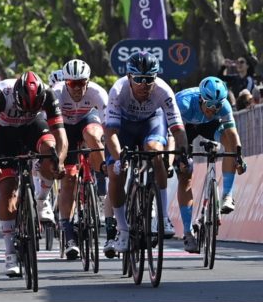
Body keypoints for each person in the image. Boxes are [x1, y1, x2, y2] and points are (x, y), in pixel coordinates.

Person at [0, 71, 68, 276]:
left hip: (32, 128)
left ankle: (41, 199)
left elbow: (61, 137)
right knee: (7, 189)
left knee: (50, 151)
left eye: (34, 107)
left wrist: (59, 162)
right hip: (3, 134)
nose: (27, 110)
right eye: (24, 107)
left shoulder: (48, 95)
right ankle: (10, 253)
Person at [103, 51, 188, 257]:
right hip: (124, 128)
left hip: (151, 123)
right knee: (116, 173)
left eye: (149, 79)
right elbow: (110, 133)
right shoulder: (118, 90)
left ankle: (162, 215)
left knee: (155, 152)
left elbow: (178, 130)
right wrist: (119, 158)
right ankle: (123, 229)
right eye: (139, 79)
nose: (144, 85)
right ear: (130, 77)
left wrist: (182, 155)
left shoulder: (163, 90)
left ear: (155, 78)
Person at [175, 77, 246, 253]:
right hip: (184, 128)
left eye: (217, 106)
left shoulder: (224, 106)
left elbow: (233, 133)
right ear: (201, 98)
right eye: (209, 104)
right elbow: (175, 135)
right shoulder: (183, 103)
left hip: (209, 126)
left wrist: (238, 157)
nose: (213, 109)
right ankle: (187, 232)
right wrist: (182, 158)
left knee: (230, 145)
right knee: (186, 175)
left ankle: (227, 196)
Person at [51, 59, 108, 260]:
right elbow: (47, 125)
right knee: (69, 180)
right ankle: (68, 235)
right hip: (64, 128)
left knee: (94, 136)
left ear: (88, 81)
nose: (76, 88)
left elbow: (110, 124)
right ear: (65, 82)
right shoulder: (56, 93)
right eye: (72, 84)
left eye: (81, 83)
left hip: (87, 120)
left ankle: (103, 180)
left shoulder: (97, 92)